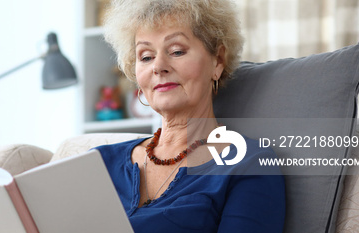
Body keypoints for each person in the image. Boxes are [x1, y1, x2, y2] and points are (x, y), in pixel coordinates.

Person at [96, 0, 286, 232]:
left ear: (217, 61)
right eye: (145, 57)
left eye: (177, 51)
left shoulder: (249, 165)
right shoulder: (97, 163)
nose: (158, 66)